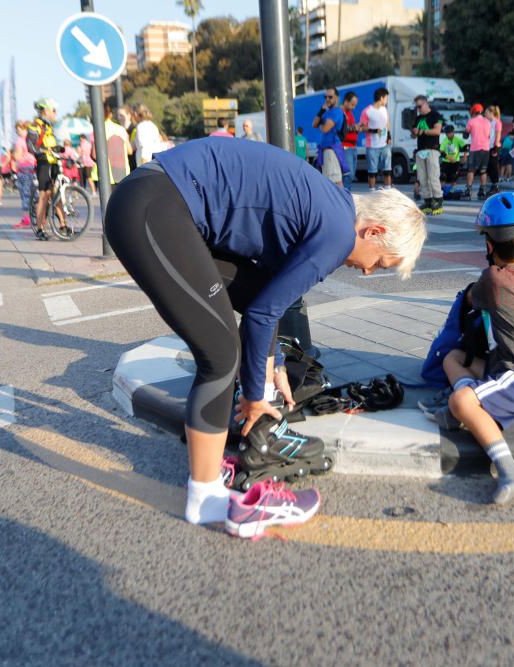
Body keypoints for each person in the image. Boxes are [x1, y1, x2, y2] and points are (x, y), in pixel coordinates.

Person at [103, 138, 427, 535]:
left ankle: (209, 468)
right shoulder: (337, 233)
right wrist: (255, 397)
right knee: (221, 356)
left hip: (156, 203)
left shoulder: (329, 207)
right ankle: (207, 499)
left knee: (232, 348)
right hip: (155, 208)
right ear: (374, 231)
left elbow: (265, 297)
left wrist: (271, 370)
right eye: (381, 262)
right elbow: (261, 314)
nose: (368, 272)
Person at [430, 192, 514, 505]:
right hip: (510, 368)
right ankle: (473, 402)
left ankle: (509, 470)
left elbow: (470, 300)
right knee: (454, 359)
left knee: (460, 398)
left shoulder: (491, 280)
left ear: (489, 245)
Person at [27, 98, 67, 236]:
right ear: (46, 111)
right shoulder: (34, 126)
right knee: (44, 195)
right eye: (54, 110)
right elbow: (31, 147)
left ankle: (63, 225)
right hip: (43, 163)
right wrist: (46, 150)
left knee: (57, 194)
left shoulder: (49, 127)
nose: (56, 113)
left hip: (54, 163)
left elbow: (51, 144)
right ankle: (40, 228)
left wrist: (58, 148)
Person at [411, 94, 444, 215]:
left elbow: (437, 131)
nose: (418, 109)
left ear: (426, 103)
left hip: (432, 149)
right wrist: (414, 132)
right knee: (422, 177)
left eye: (420, 106)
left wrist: (422, 131)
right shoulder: (418, 118)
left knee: (433, 176)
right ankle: (428, 200)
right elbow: (414, 134)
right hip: (420, 150)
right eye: (417, 107)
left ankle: (438, 200)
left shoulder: (436, 115)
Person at [312, 87, 348, 188]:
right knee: (330, 179)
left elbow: (325, 129)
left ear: (336, 98)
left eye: (330, 97)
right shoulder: (327, 112)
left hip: (331, 150)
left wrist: (321, 125)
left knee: (334, 180)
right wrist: (321, 111)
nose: (327, 99)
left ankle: (340, 201)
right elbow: (314, 124)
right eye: (325, 97)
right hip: (326, 150)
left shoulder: (336, 111)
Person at [359, 87, 391, 191]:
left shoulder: (384, 109)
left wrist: (389, 136)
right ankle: (372, 192)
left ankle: (388, 191)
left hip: (385, 145)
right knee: (372, 172)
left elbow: (387, 124)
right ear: (381, 98)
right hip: (372, 146)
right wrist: (374, 130)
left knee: (387, 170)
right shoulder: (367, 111)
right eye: (386, 98)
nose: (387, 100)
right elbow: (361, 127)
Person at [464, 104, 492, 200]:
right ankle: (482, 190)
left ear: (473, 112)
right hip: (486, 149)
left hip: (475, 148)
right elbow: (489, 135)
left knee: (471, 170)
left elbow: (466, 134)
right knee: (483, 170)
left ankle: (468, 190)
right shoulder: (488, 122)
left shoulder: (471, 121)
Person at [12, 120, 36, 228]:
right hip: (34, 168)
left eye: (19, 130)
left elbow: (17, 156)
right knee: (35, 195)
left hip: (24, 169)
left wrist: (15, 156)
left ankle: (26, 218)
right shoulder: (33, 138)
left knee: (25, 195)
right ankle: (38, 217)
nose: (18, 132)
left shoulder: (19, 141)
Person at [439, 124, 467, 197]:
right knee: (443, 177)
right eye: (447, 133)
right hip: (446, 162)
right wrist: (449, 158)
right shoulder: (445, 140)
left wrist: (464, 157)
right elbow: (441, 151)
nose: (448, 135)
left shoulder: (457, 139)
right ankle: (442, 191)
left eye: (450, 133)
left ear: (453, 132)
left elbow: (465, 147)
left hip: (455, 162)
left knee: (453, 177)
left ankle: (451, 191)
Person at [340, 92, 360, 192]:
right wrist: (354, 128)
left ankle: (346, 194)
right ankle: (345, 195)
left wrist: (357, 128)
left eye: (355, 105)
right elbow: (341, 128)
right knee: (348, 174)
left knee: (351, 175)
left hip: (352, 147)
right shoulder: (340, 112)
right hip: (345, 147)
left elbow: (350, 128)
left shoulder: (350, 114)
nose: (353, 107)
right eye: (352, 104)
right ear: (345, 101)